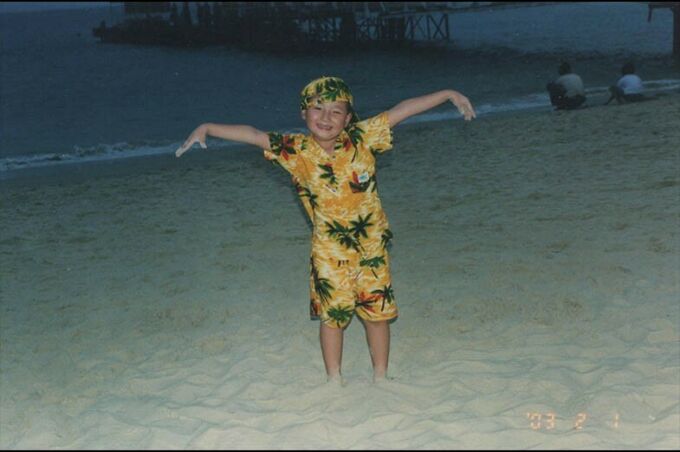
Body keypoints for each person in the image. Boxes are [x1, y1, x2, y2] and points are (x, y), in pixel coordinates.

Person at [175, 76, 475, 384]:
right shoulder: (295, 149)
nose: (326, 117)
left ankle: (381, 376)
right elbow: (253, 134)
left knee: (378, 315)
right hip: (328, 252)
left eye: (335, 111)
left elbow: (403, 110)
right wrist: (207, 127)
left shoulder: (363, 137)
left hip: (371, 247)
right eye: (317, 109)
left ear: (347, 118)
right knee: (333, 318)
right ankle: (334, 378)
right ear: (304, 115)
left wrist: (448, 93)